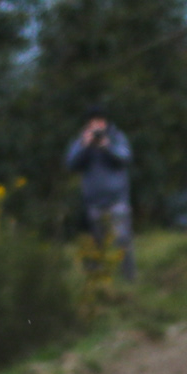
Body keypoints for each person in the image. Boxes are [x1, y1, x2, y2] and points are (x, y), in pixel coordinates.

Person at [64, 115, 135, 281]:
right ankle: (97, 283)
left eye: (100, 122)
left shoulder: (116, 137)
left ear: (106, 122)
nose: (97, 127)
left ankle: (129, 279)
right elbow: (70, 164)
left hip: (117, 201)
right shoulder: (81, 141)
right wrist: (85, 146)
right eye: (93, 123)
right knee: (96, 245)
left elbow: (125, 158)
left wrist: (107, 146)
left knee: (123, 240)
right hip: (93, 203)